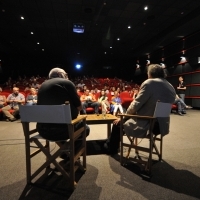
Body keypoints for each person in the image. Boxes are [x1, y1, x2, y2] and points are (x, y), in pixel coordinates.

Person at [104, 64, 176, 154]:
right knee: (121, 122)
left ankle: (111, 148)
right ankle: (109, 143)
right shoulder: (170, 86)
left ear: (150, 74)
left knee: (117, 123)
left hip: (147, 123)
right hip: (161, 125)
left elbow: (136, 104)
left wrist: (124, 117)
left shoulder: (149, 83)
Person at [36, 67, 90, 143]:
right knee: (86, 128)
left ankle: (65, 150)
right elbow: (80, 107)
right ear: (60, 74)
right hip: (64, 130)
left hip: (43, 130)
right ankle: (70, 151)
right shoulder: (67, 83)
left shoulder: (42, 85)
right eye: (66, 74)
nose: (67, 76)